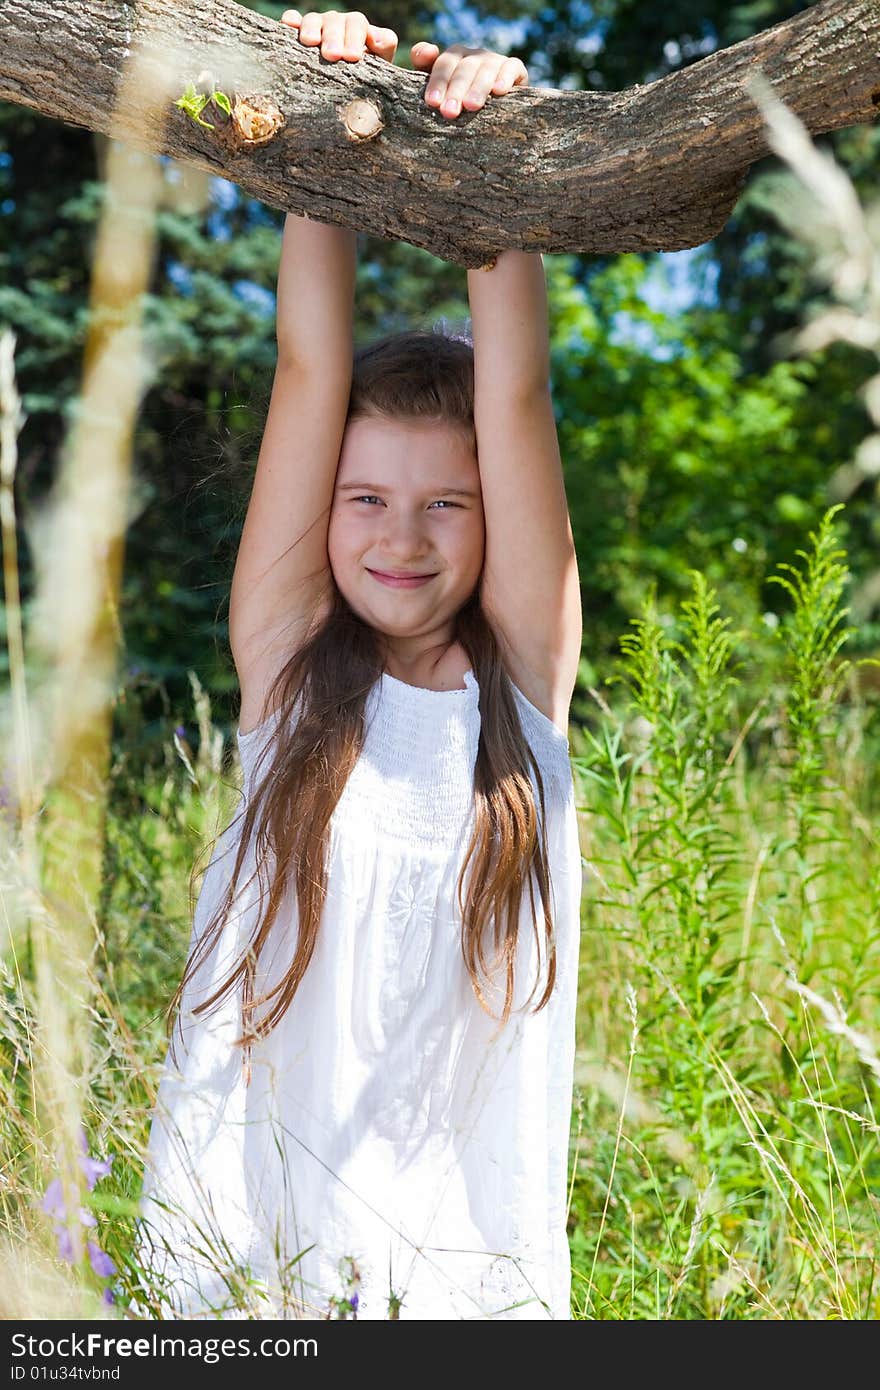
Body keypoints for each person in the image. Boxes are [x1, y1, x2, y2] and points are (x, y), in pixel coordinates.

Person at [134, 8, 584, 1321]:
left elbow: (515, 394)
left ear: (495, 521)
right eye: (366, 497)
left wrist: (484, 136)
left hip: (460, 1273)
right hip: (250, 1258)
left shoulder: (526, 693)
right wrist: (319, 107)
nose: (402, 535)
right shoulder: (283, 668)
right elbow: (306, 366)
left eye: (448, 503)